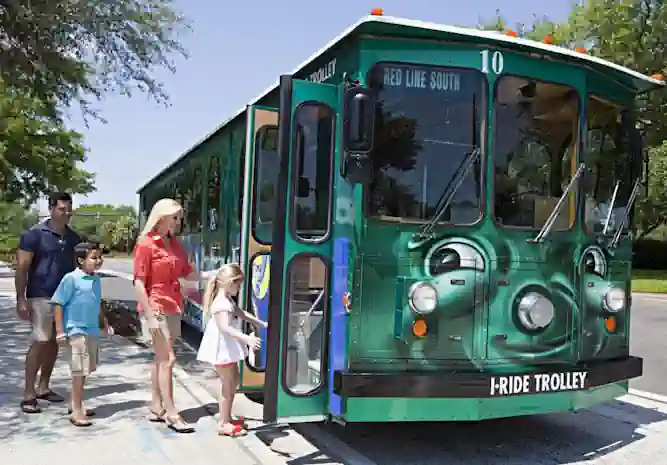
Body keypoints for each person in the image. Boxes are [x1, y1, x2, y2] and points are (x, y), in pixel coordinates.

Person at [132, 198, 217, 433]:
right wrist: (148, 314)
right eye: (176, 217)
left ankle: (156, 406)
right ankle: (172, 413)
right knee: (168, 359)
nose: (179, 222)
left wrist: (213, 274)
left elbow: (188, 274)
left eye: (180, 217)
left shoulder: (174, 244)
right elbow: (138, 282)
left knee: (161, 359)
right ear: (162, 216)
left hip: (173, 305)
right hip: (155, 305)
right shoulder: (146, 244)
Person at [15, 191, 82, 414]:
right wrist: (20, 299)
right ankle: (28, 392)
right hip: (40, 296)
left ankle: (43, 387)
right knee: (40, 340)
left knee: (54, 342)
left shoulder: (74, 238)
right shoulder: (33, 235)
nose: (67, 213)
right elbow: (22, 268)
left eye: (69, 209)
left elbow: (77, 270)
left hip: (64, 298)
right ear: (51, 209)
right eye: (62, 209)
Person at [196, 264, 266, 437]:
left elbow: (240, 313)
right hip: (222, 350)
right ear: (229, 283)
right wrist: (247, 339)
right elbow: (225, 328)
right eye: (238, 284)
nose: (239, 288)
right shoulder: (221, 304)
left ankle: (227, 417)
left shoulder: (226, 300)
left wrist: (261, 323)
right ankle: (224, 422)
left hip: (226, 349)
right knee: (228, 385)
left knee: (233, 381)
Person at [52, 241, 114, 427]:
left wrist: (104, 323)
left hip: (91, 330)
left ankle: (75, 403)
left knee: (85, 369)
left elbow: (97, 303)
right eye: (94, 258)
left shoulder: (95, 279)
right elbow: (58, 303)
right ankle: (77, 411)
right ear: (81, 260)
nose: (98, 261)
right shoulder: (71, 279)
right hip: (75, 330)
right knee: (78, 370)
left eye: (100, 257)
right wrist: (60, 331)